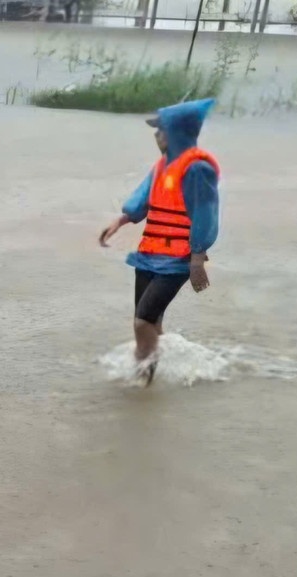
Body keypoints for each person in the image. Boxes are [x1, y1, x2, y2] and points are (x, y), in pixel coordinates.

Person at [99, 98, 220, 385]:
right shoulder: (163, 166)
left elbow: (205, 214)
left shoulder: (197, 169)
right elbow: (143, 199)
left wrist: (197, 259)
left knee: (142, 320)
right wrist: (121, 220)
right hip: (149, 255)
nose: (157, 135)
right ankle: (153, 379)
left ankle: (142, 380)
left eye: (161, 130)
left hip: (177, 260)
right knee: (150, 322)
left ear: (177, 133)